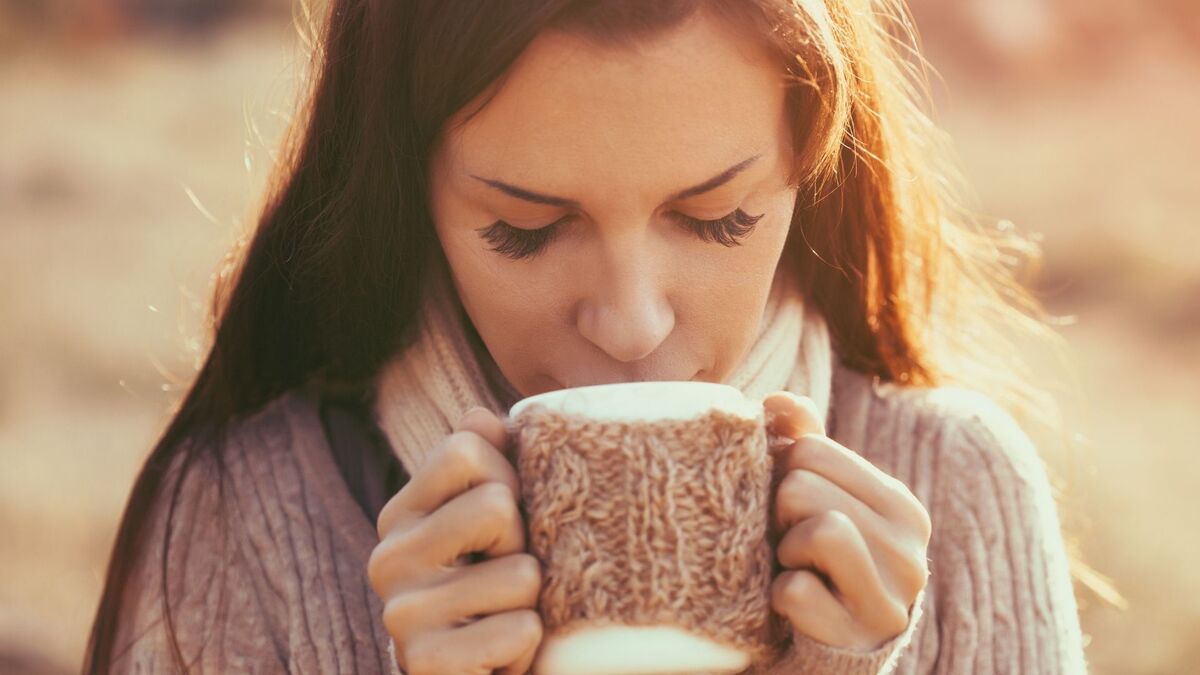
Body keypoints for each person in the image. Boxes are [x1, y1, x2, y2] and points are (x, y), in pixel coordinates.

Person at [83, 0, 1091, 673]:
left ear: (809, 169)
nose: (630, 323)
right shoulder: (242, 523)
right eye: (523, 229)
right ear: (406, 194)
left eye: (718, 219)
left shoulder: (959, 489)